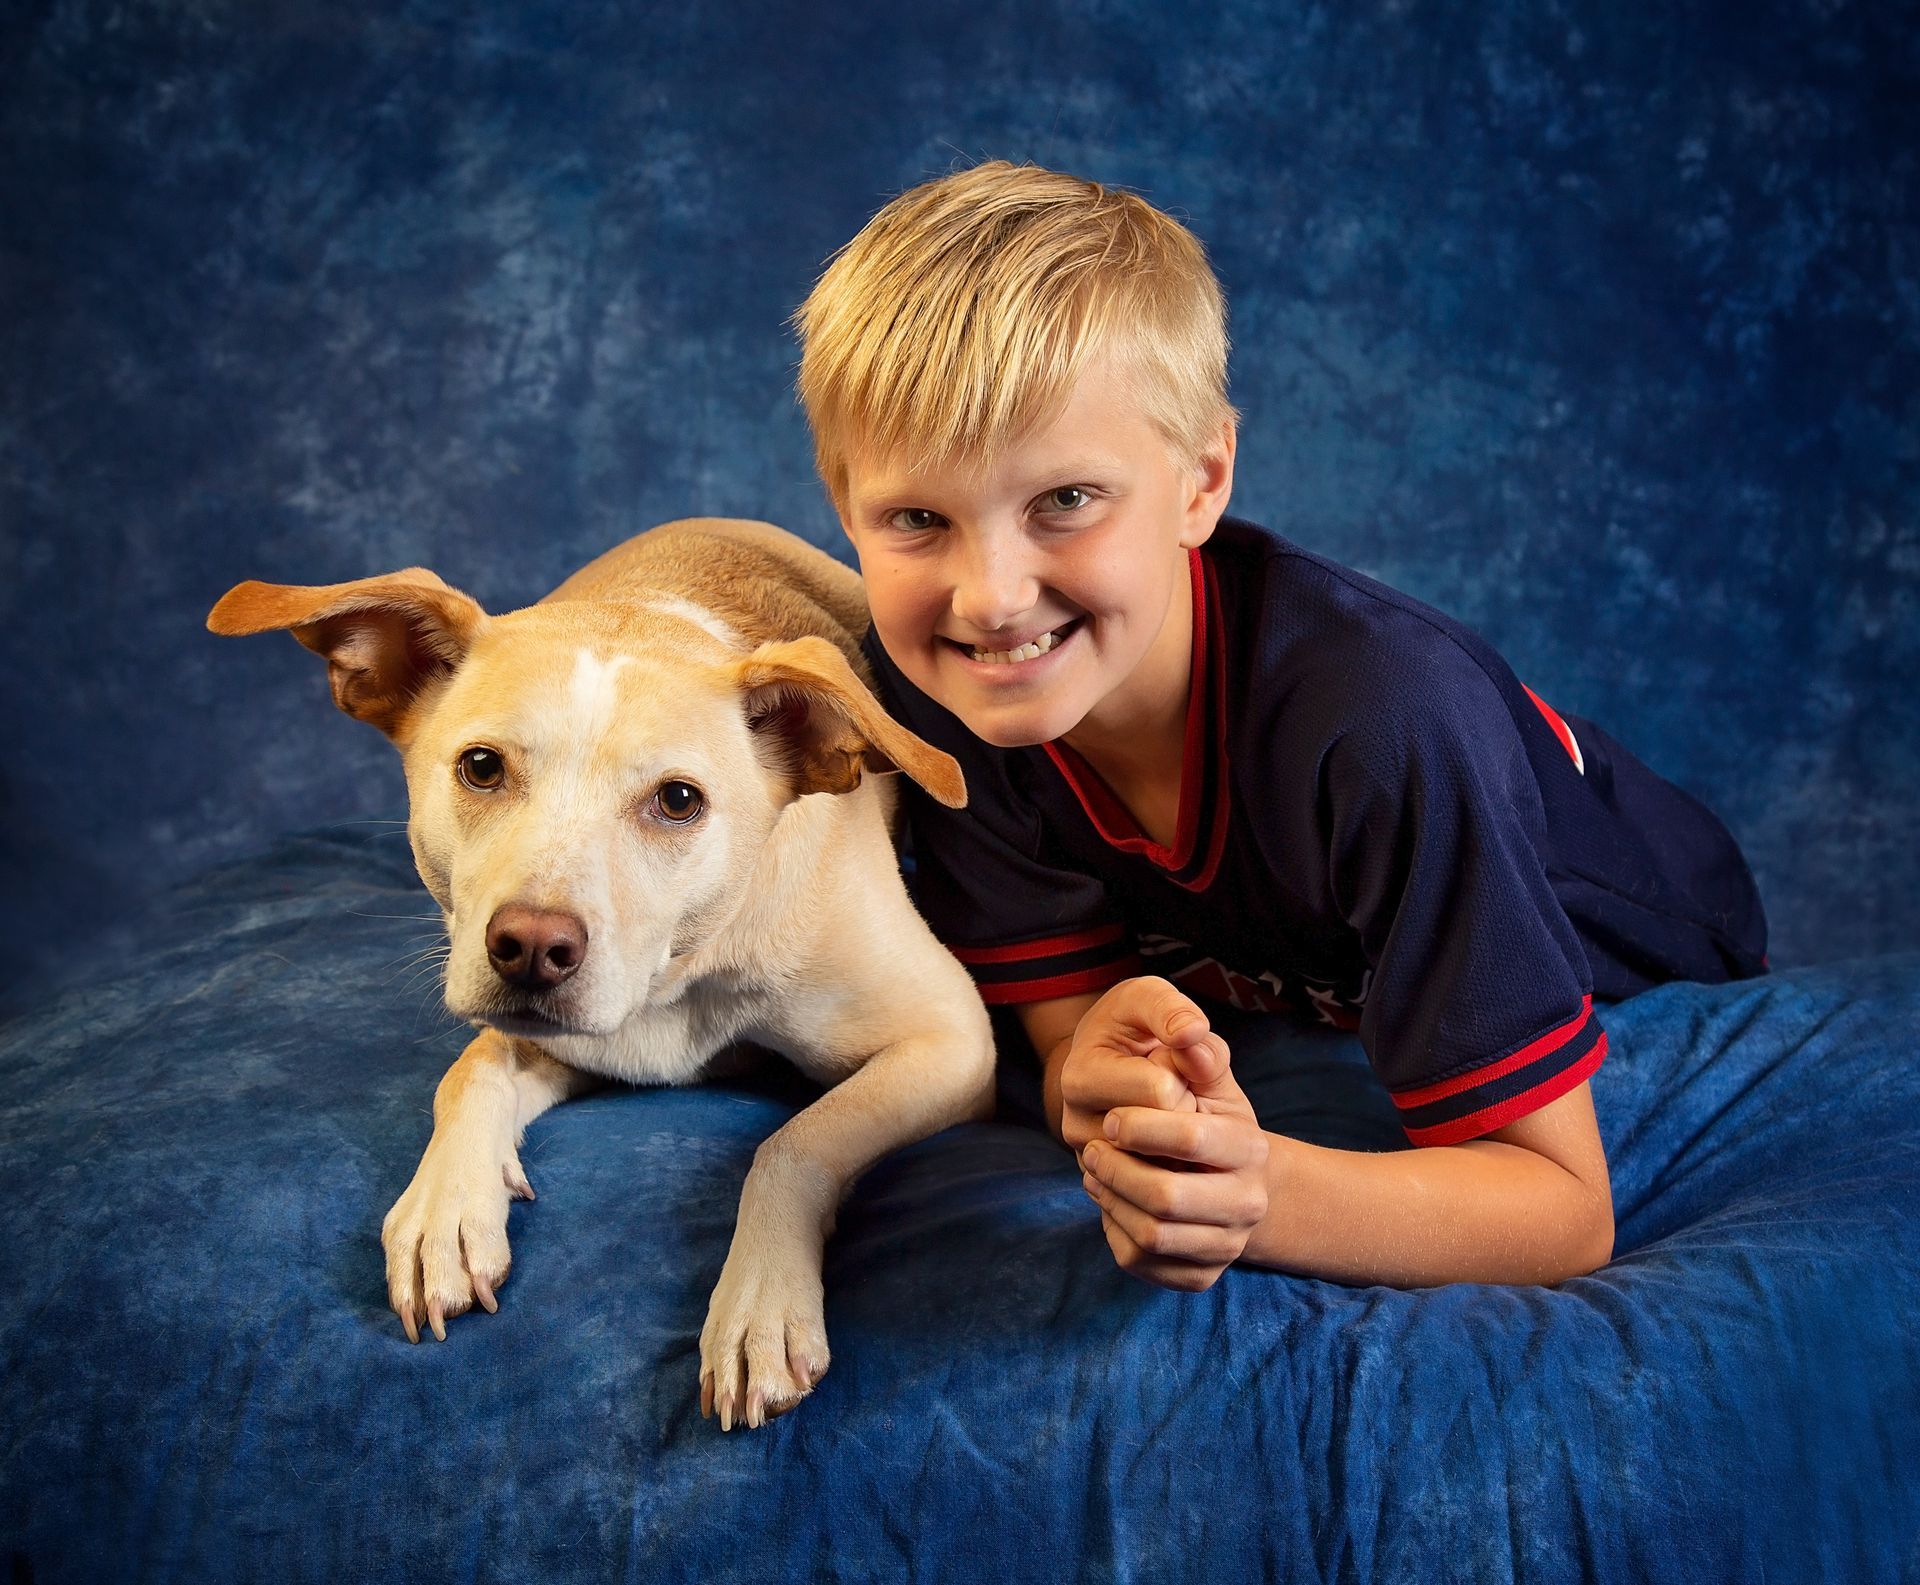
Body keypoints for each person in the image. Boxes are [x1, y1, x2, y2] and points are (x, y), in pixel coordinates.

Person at [791, 160, 1768, 1291]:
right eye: (917, 518)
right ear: (845, 508)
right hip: (1299, 969)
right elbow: (1075, 1037)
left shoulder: (1383, 725)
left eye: (1065, 501)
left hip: (1633, 959)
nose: (992, 596)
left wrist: (1260, 1196)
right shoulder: (943, 689)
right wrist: (1107, 1075)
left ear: (1203, 481)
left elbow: (1558, 1207)